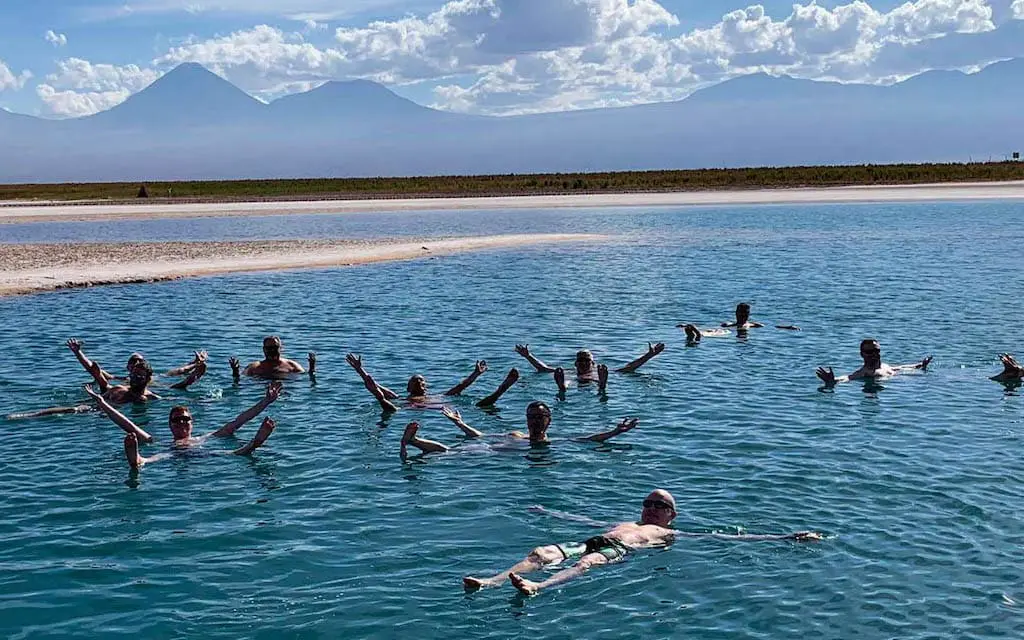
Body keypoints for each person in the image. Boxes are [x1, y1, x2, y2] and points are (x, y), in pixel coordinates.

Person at [462, 489, 823, 594]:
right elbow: (582, 520)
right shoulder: (625, 520)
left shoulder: (669, 533)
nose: (651, 509)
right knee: (541, 551)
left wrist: (785, 536)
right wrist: (548, 512)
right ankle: (490, 581)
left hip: (617, 551)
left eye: (660, 505)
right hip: (594, 538)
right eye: (648, 503)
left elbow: (718, 536)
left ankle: (538, 587)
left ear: (671, 514)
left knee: (586, 564)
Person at [85, 381, 282, 470]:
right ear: (170, 425)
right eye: (177, 420)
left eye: (185, 419)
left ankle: (253, 444)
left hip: (202, 455)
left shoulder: (205, 438)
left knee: (232, 454)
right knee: (153, 458)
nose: (181, 422)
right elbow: (127, 424)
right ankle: (137, 459)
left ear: (192, 423)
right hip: (170, 454)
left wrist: (266, 402)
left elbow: (239, 420)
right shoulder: (157, 441)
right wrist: (102, 403)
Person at [399, 401, 638, 458]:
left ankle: (414, 442)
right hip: (489, 450)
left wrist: (615, 432)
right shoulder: (516, 434)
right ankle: (413, 442)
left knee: (448, 452)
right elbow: (480, 435)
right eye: (531, 417)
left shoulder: (551, 444)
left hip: (491, 456)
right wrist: (459, 423)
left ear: (548, 420)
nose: (534, 421)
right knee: (452, 451)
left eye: (539, 417)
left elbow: (587, 439)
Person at [346, 353, 519, 413]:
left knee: (481, 405)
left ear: (426, 386)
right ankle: (502, 389)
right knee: (384, 401)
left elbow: (461, 387)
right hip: (409, 410)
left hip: (444, 409)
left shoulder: (439, 396)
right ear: (408, 387)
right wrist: (360, 370)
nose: (420, 382)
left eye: (422, 381)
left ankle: (502, 389)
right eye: (415, 381)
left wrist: (475, 373)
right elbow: (374, 384)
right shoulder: (401, 398)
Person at [514, 343, 665, 393]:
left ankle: (602, 385)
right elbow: (543, 369)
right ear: (575, 363)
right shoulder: (569, 372)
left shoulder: (599, 371)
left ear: (592, 363)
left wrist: (649, 355)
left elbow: (629, 368)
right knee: (567, 381)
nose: (583, 363)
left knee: (598, 381)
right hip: (572, 382)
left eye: (587, 360)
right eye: (580, 360)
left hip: (595, 382)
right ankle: (562, 388)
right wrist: (528, 356)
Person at [67, 338, 208, 386]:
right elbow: (94, 369)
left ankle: (195, 375)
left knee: (176, 381)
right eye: (134, 361)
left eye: (141, 361)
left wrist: (195, 363)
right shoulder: (118, 379)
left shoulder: (154, 377)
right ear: (128, 367)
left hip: (157, 390)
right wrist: (78, 352)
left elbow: (180, 370)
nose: (137, 363)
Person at [816, 339, 932, 387]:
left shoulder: (885, 366)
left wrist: (920, 365)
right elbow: (848, 377)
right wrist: (833, 381)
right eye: (869, 351)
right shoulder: (865, 373)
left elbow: (900, 368)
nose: (874, 354)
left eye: (876, 351)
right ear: (862, 354)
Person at [232, 336, 315, 380]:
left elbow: (307, 377)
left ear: (280, 348)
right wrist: (235, 372)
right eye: (269, 348)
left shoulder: (292, 366)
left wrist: (312, 367)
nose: (272, 350)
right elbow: (240, 381)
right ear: (264, 349)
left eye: (274, 347)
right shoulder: (254, 367)